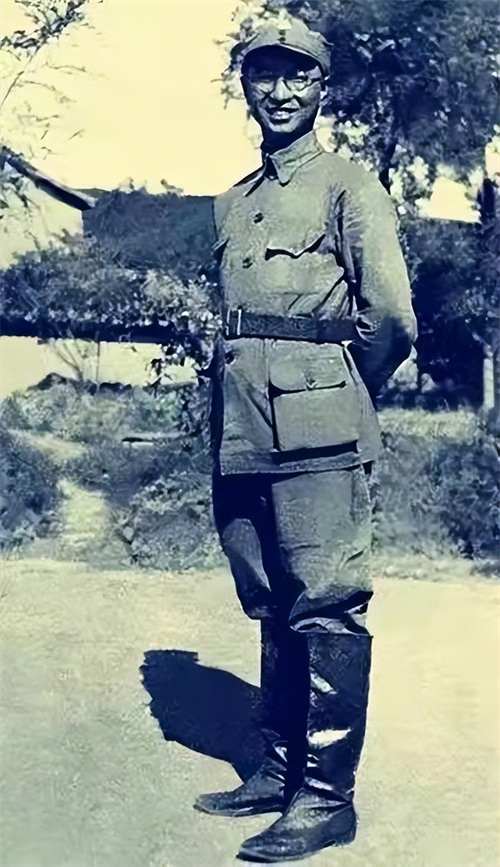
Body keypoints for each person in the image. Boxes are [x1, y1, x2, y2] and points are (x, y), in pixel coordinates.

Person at [194, 14, 417, 863]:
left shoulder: (349, 188)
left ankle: (325, 798)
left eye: (298, 76)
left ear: (322, 88)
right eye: (264, 75)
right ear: (245, 87)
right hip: (242, 429)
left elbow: (391, 319)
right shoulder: (233, 203)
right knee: (268, 594)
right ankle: (278, 766)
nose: (280, 92)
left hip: (319, 431)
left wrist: (337, 392)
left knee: (325, 601)